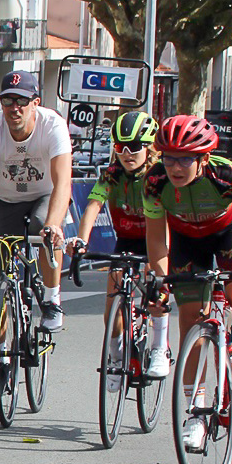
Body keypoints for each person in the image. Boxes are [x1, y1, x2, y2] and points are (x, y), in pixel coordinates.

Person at [143, 115, 232, 448]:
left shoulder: (227, 177)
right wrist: (161, 282)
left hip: (229, 233)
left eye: (184, 159)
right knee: (190, 321)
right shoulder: (154, 181)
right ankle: (195, 412)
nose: (175, 167)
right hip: (187, 240)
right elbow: (157, 242)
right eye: (168, 157)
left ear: (203, 158)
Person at [0, 70, 72, 397]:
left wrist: (55, 223)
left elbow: (63, 180)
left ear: (36, 103)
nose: (14, 108)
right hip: (6, 202)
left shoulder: (52, 126)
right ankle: (1, 355)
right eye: (8, 100)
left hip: (44, 197)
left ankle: (51, 299)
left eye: (22, 101)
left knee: (43, 229)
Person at [67, 110, 172, 384]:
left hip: (157, 239)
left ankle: (160, 347)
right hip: (126, 240)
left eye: (134, 146)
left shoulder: (161, 176)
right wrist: (81, 240)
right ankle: (115, 356)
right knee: (112, 303)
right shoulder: (112, 175)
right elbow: (93, 206)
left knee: (157, 293)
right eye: (119, 147)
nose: (127, 153)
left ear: (149, 148)